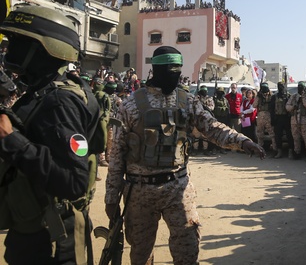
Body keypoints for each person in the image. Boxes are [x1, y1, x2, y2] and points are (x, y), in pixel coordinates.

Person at [105, 46, 265, 265]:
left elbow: (213, 128)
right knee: (140, 254)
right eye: (171, 70)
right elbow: (117, 155)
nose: (176, 75)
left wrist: (243, 141)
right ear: (157, 70)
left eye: (178, 70)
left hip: (178, 187)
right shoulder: (131, 104)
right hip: (139, 190)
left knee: (188, 250)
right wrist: (111, 197)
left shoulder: (187, 101)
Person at [0, 6, 100, 264]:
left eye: (19, 43)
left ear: (45, 49)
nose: (9, 50)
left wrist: (11, 139)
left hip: (51, 240)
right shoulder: (48, 92)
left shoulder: (59, 102)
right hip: (37, 230)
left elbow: (74, 180)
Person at [286, 81, 306, 160]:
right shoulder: (293, 96)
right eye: (299, 87)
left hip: (305, 121)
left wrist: (304, 97)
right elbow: (287, 107)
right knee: (296, 138)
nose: (300, 89)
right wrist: (293, 107)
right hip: (294, 120)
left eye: (302, 87)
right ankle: (297, 153)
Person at [270, 81, 294, 159]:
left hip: (287, 118)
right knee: (278, 136)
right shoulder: (274, 97)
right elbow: (272, 109)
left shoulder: (289, 96)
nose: (281, 87)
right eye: (279, 86)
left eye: (282, 86)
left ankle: (291, 151)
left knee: (289, 136)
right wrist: (272, 119)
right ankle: (279, 152)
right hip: (278, 118)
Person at [253, 82, 276, 153]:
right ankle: (273, 150)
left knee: (263, 134)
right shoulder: (270, 95)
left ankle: (262, 150)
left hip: (263, 115)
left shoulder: (263, 96)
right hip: (266, 115)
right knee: (269, 134)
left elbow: (254, 105)